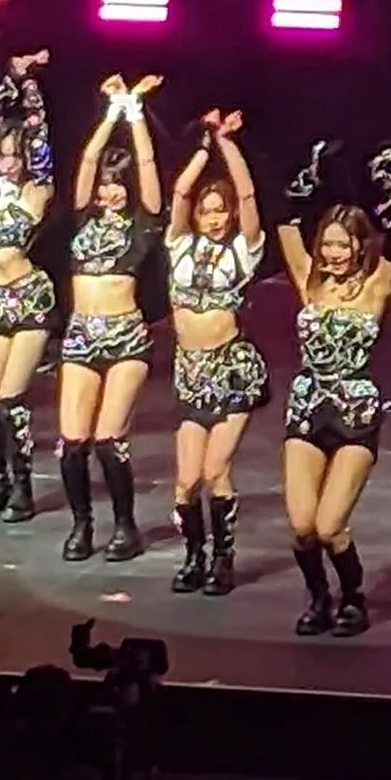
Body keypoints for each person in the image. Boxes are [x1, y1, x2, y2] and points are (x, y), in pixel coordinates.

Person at [278, 140, 391, 637]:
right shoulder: (309, 282)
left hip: (354, 413)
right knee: (302, 526)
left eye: (342, 244)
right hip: (307, 408)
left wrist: (382, 185)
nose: (332, 253)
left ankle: (353, 597)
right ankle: (318, 598)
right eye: (327, 244)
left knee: (330, 525)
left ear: (358, 246)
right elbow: (284, 222)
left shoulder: (375, 288)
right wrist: (308, 173)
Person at [57, 74, 164, 563]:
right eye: (106, 183)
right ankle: (82, 525)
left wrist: (135, 114)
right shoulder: (83, 217)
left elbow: (148, 165)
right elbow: (86, 160)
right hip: (81, 335)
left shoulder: (143, 223)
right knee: (73, 441)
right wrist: (110, 113)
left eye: (118, 183)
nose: (110, 191)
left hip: (125, 338)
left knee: (108, 440)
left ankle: (126, 526)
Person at [166, 109, 268, 595]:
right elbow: (180, 192)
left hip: (231, 371)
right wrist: (204, 145)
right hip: (190, 372)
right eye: (207, 211)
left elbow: (247, 194)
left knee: (215, 470)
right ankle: (194, 556)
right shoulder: (179, 245)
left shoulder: (243, 250)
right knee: (186, 481)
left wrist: (227, 144)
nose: (214, 217)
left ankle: (224, 560)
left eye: (219, 211)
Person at [0, 47, 56, 524]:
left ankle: (23, 488)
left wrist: (30, 85)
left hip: (26, 298)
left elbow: (39, 134)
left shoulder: (36, 190)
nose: (8, 163)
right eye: (2, 156)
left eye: (14, 156)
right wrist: (6, 76)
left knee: (8, 401)